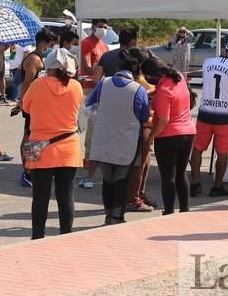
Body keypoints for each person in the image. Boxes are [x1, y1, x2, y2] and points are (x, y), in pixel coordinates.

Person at [22, 48, 83, 239]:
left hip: (40, 147)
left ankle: (37, 235)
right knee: (66, 197)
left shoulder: (38, 85)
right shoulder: (76, 86)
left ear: (48, 67)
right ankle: (66, 234)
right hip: (69, 148)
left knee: (40, 197)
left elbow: (25, 106)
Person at [87, 49, 149, 224]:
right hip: (126, 143)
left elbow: (89, 105)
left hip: (103, 139)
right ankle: (117, 216)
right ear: (136, 73)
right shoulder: (139, 90)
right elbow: (144, 117)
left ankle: (108, 215)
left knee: (108, 180)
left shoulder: (103, 83)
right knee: (121, 180)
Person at [190, 39, 228, 197]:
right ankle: (217, 186)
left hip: (205, 113)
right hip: (225, 116)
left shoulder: (208, 62)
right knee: (222, 153)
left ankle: (195, 182)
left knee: (197, 149)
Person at [141, 57, 196, 215]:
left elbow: (164, 120)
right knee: (181, 173)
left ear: (152, 75)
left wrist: (151, 136)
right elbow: (162, 90)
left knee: (168, 176)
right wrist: (148, 92)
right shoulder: (177, 76)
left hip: (168, 136)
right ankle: (185, 209)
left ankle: (169, 211)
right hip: (188, 132)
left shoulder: (163, 92)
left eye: (146, 76)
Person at [17, 28, 58, 187]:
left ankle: (30, 169)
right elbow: (27, 83)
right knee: (28, 137)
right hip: (31, 104)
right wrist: (24, 104)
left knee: (32, 137)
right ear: (43, 43)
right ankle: (27, 171)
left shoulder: (39, 57)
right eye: (51, 44)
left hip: (36, 103)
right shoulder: (34, 59)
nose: (51, 48)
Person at [79, 18, 110, 189]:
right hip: (89, 89)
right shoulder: (87, 43)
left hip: (101, 88)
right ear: (92, 27)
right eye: (100, 26)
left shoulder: (103, 45)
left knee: (98, 126)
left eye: (105, 27)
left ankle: (94, 157)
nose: (102, 29)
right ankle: (88, 158)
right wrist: (99, 75)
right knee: (90, 125)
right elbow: (87, 66)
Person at [126, 47, 157, 212]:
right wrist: (158, 89)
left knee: (144, 164)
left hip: (147, 125)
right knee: (139, 164)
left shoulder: (140, 78)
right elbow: (142, 92)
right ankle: (133, 198)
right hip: (141, 125)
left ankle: (139, 194)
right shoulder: (136, 80)